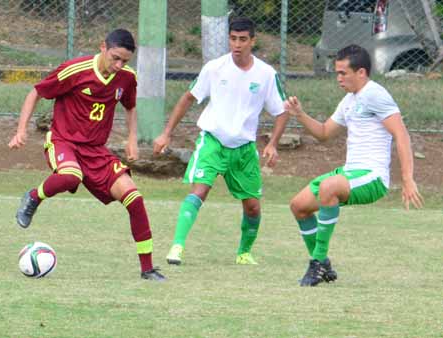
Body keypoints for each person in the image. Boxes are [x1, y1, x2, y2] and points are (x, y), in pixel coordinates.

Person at [8, 29, 166, 282]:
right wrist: (21, 130)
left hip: (96, 151)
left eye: (124, 61)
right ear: (102, 47)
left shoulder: (126, 78)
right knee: (71, 177)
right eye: (115, 57)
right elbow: (36, 92)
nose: (118, 65)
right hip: (64, 141)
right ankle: (33, 196)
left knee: (135, 199)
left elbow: (131, 105)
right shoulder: (75, 70)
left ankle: (147, 269)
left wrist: (132, 139)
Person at [153, 17, 290, 265]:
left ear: (253, 41)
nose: (237, 45)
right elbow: (188, 98)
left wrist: (272, 144)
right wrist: (166, 132)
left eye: (243, 39)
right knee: (200, 190)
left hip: (244, 149)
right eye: (233, 39)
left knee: (253, 208)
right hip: (213, 141)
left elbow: (282, 111)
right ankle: (176, 246)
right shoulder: (214, 68)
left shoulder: (267, 74)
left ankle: (244, 253)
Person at [285, 44, 423, 287]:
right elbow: (325, 133)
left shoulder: (375, 94)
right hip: (350, 173)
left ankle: (316, 264)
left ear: (361, 73)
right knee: (299, 206)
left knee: (329, 187)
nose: (338, 78)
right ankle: (324, 264)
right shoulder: (350, 100)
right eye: (336, 73)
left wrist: (408, 178)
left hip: (373, 177)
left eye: (342, 73)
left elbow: (401, 134)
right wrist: (300, 115)